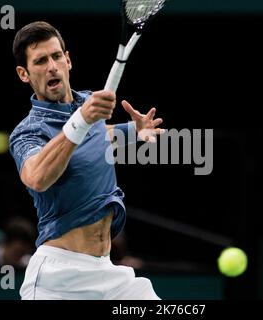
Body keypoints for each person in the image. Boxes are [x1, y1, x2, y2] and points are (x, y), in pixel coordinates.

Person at [9, 21, 163, 300]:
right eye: (40, 61)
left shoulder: (88, 103)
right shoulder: (27, 132)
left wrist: (134, 131)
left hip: (109, 274)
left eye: (56, 56)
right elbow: (36, 177)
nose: (52, 66)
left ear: (68, 60)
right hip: (57, 279)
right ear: (24, 73)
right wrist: (82, 119)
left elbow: (97, 135)